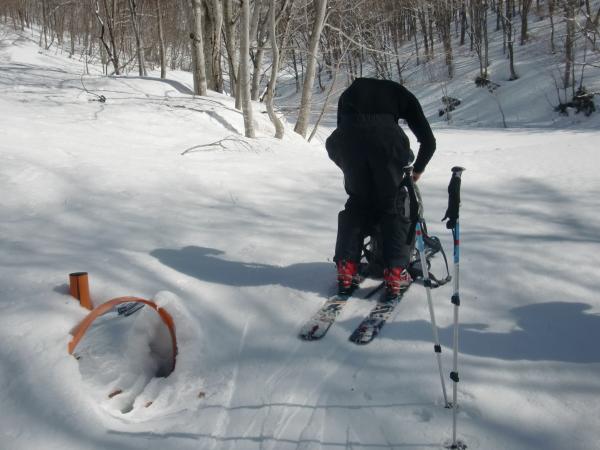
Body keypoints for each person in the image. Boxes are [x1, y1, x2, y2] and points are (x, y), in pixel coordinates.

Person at [325, 77, 436, 298]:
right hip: (387, 142)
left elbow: (342, 136)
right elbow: (429, 141)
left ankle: (346, 268)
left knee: (357, 202)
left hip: (347, 141)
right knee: (392, 203)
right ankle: (396, 271)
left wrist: (355, 171)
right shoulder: (401, 94)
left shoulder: (349, 93)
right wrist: (417, 170)